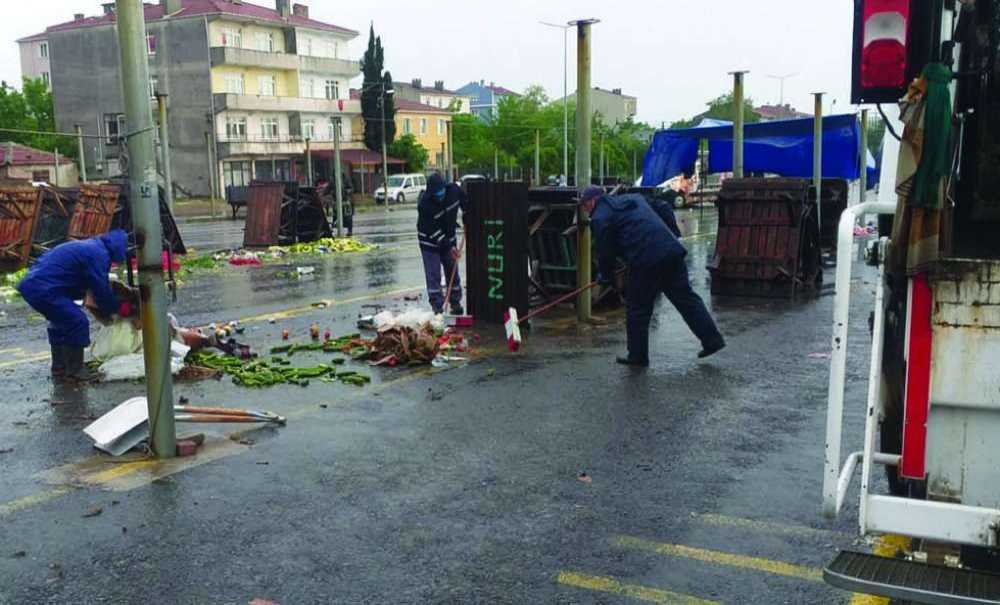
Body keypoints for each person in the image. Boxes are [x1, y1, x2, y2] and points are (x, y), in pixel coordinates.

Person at [579, 186, 725, 366]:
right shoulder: (632, 198)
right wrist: (674, 234)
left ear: (592, 201)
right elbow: (663, 206)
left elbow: (605, 252)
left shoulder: (600, 217)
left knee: (637, 308)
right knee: (686, 298)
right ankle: (712, 340)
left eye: (584, 206)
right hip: (670, 251)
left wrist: (605, 276)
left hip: (645, 260)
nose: (585, 210)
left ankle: (637, 356)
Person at [17, 230, 129, 382]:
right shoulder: (98, 254)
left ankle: (59, 368)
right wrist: (116, 309)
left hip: (33, 286)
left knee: (60, 323)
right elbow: (100, 289)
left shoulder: (92, 247)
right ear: (119, 247)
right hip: (45, 289)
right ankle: (75, 371)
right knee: (76, 321)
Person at [417, 173, 467, 314]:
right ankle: (437, 306)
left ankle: (455, 302)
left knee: (452, 268)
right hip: (429, 240)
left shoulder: (453, 191)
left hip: (449, 234)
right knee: (433, 273)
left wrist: (467, 215)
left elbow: (465, 202)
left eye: (441, 191)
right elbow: (433, 232)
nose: (440, 195)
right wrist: (449, 247)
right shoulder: (425, 205)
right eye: (436, 193)